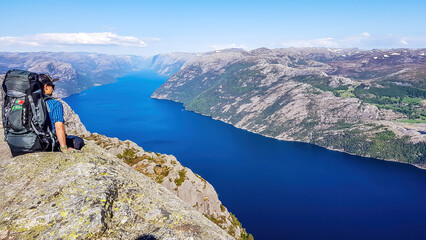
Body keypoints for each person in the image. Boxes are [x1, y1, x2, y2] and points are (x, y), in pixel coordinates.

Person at [39, 74, 84, 152]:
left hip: (25, 143)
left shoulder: (26, 104)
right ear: (45, 87)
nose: (53, 88)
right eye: (52, 85)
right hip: (46, 144)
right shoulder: (55, 104)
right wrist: (64, 148)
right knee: (78, 141)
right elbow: (59, 126)